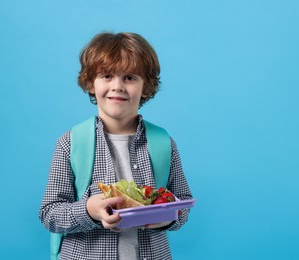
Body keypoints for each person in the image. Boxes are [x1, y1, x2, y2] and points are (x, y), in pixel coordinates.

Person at [39, 32, 193, 260]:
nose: (118, 86)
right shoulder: (71, 143)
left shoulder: (163, 143)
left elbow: (182, 201)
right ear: (91, 82)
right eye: (107, 75)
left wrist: (169, 217)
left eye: (130, 77)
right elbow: (50, 214)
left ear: (146, 86)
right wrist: (89, 210)